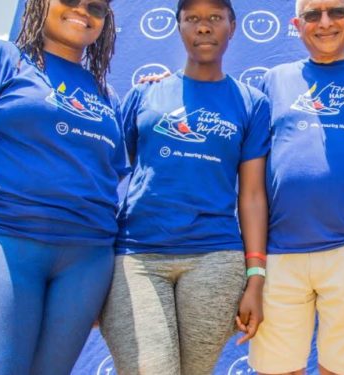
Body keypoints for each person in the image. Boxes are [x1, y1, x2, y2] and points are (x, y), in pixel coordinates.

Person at [0, 0, 124, 373]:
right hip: (2, 243)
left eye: (96, 6)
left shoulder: (108, 98)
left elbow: (112, 183)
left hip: (87, 263)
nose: (83, 10)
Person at [98, 0, 269, 374]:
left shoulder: (252, 104)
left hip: (215, 257)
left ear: (232, 26)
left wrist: (255, 277)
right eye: (192, 18)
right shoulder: (145, 95)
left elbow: (253, 195)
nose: (203, 27)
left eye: (214, 18)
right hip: (137, 256)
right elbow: (106, 177)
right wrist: (91, 265)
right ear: (179, 27)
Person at [247, 0, 344, 374]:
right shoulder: (272, 81)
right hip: (279, 254)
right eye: (313, 15)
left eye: (336, 12)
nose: (324, 22)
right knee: (276, 369)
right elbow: (251, 169)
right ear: (297, 24)